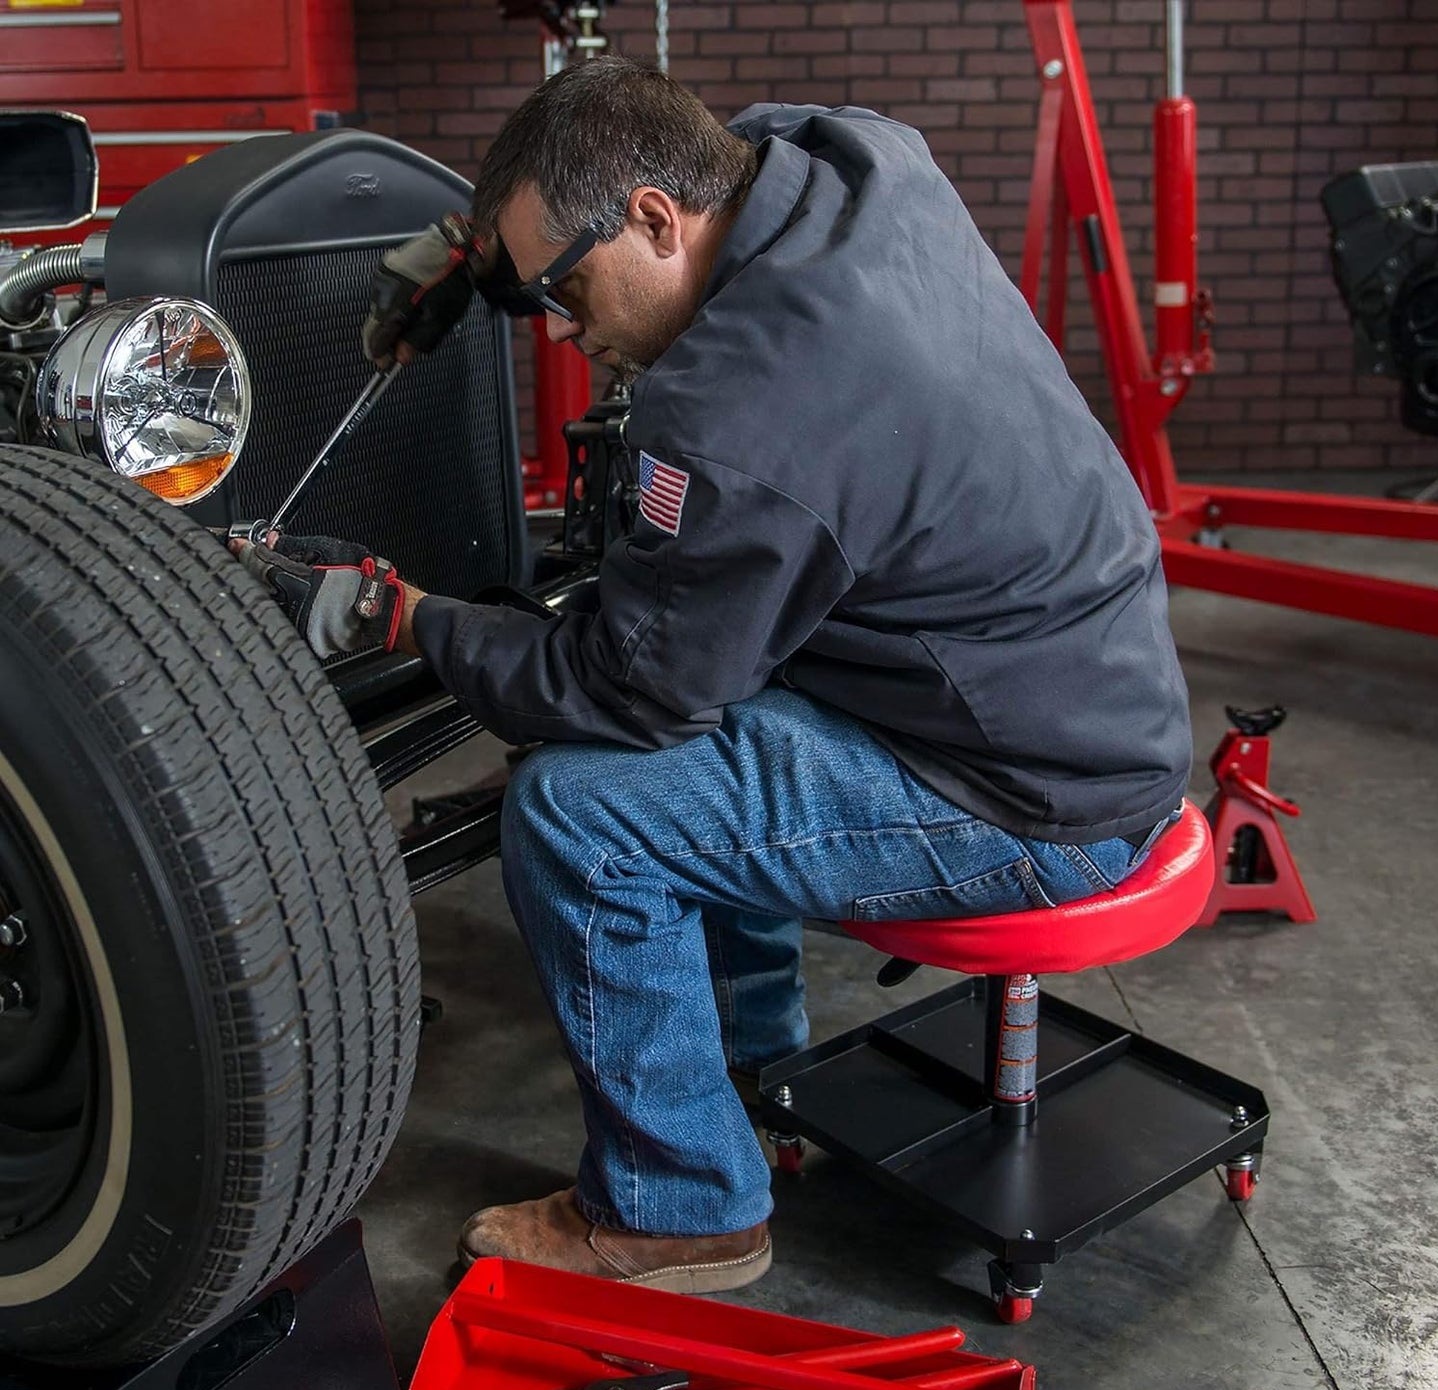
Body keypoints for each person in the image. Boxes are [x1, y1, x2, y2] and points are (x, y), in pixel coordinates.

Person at [232, 55, 1192, 1296]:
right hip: (1072, 686)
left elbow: (623, 695)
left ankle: (681, 1208)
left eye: (567, 292)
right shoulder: (852, 158)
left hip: (1028, 796)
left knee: (583, 812)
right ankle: (747, 1064)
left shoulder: (734, 414)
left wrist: (405, 618)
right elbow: (701, 147)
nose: (570, 332)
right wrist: (491, 259)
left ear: (650, 216)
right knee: (709, 709)